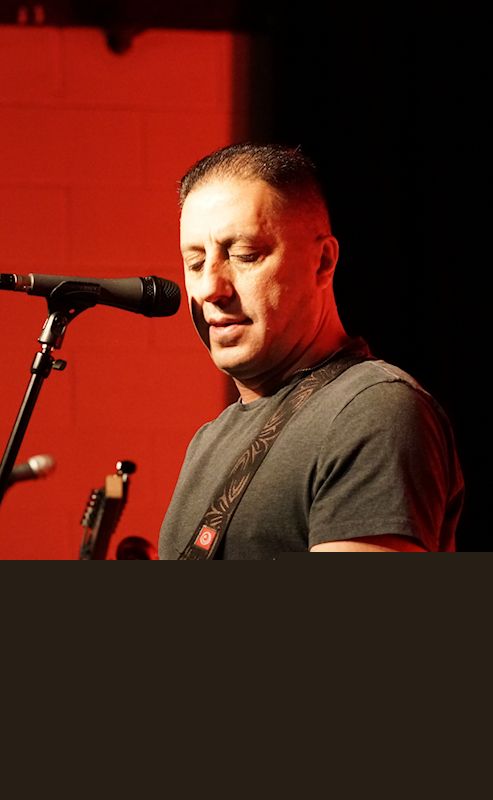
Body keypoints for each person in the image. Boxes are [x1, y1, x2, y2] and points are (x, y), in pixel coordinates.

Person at [158, 143, 464, 558]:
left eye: (245, 256)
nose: (211, 287)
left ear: (323, 262)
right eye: (195, 263)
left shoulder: (372, 411)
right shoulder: (209, 440)